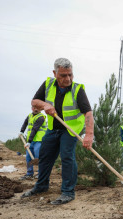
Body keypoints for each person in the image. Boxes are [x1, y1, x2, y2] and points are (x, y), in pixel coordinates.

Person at [21, 58, 94, 205]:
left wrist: (89, 135)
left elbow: (88, 113)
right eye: (63, 75)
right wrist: (44, 105)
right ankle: (41, 186)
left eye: (70, 75)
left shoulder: (77, 89)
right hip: (53, 128)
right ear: (55, 73)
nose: (68, 79)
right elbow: (34, 101)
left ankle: (68, 192)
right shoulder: (48, 84)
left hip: (71, 130)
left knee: (67, 156)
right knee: (45, 156)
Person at [18, 106, 47, 180]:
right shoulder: (30, 116)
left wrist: (29, 141)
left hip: (39, 140)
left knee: (38, 156)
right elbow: (25, 123)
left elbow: (35, 129)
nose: (36, 109)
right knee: (28, 157)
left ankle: (41, 173)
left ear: (41, 109)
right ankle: (29, 173)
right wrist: (22, 131)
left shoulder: (41, 117)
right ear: (32, 108)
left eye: (38, 108)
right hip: (30, 141)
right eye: (34, 107)